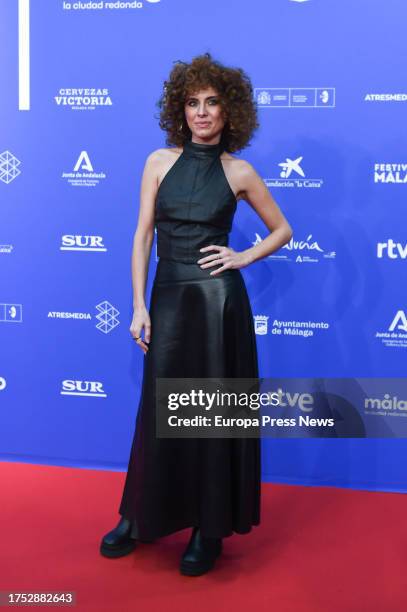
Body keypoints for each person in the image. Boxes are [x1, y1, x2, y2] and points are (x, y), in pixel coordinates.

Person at [100, 53, 292, 576]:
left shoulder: (240, 171)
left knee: (210, 415)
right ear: (179, 110)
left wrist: (242, 256)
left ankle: (209, 530)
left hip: (217, 302)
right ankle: (139, 517)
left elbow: (282, 229)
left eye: (212, 103)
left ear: (230, 112)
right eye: (192, 103)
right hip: (167, 295)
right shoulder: (158, 162)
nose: (202, 113)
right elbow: (142, 235)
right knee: (159, 412)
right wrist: (139, 305)